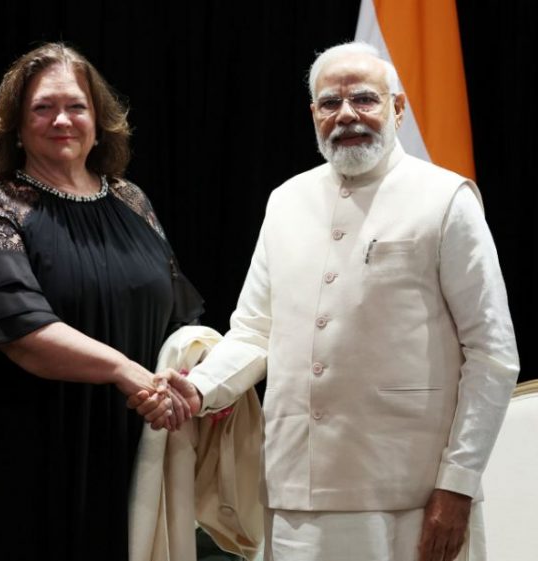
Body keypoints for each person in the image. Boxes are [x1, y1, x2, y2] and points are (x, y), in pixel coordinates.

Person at [134, 41, 519, 561]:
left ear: (398, 108)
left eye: (364, 99)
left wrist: (459, 484)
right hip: (298, 492)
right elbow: (253, 332)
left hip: (411, 494)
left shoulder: (446, 199)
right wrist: (198, 390)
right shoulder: (286, 201)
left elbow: (493, 356)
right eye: (329, 103)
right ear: (313, 114)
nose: (347, 116)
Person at [0, 42, 203, 561]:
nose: (62, 120)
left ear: (99, 119)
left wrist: (175, 380)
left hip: (132, 443)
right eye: (43, 107)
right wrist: (127, 371)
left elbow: (177, 316)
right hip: (32, 458)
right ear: (15, 125)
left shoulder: (132, 201)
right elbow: (22, 333)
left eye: (76, 106)